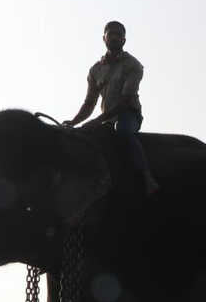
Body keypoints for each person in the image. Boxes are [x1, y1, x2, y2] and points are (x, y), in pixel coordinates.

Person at [63, 20, 159, 195]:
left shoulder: (133, 65)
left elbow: (125, 100)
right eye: (111, 34)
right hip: (106, 118)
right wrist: (74, 122)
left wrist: (97, 121)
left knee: (122, 131)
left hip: (127, 115)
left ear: (124, 40)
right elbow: (89, 103)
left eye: (118, 35)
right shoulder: (95, 70)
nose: (114, 37)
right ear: (104, 38)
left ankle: (146, 176)